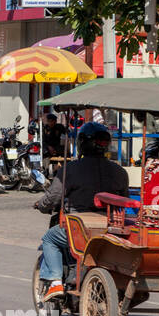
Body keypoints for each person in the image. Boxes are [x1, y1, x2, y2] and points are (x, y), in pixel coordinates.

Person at [33, 122, 128, 302]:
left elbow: (53, 197)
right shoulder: (120, 172)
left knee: (49, 239)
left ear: (82, 143)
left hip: (80, 229)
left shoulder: (70, 169)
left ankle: (54, 281)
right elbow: (123, 199)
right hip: (110, 229)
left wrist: (41, 205)